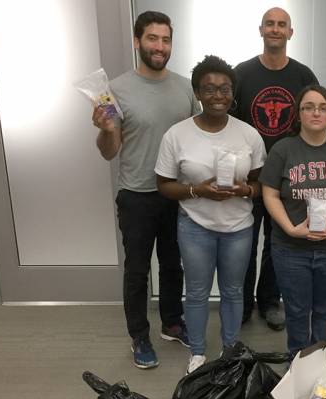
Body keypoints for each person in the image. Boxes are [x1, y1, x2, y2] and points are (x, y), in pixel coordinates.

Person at [92, 11, 199, 369]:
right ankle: (139, 336)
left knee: (173, 264)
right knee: (137, 271)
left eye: (166, 39)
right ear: (137, 42)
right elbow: (110, 150)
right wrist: (106, 129)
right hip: (136, 194)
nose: (160, 46)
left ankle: (172, 322)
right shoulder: (116, 90)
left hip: (177, 192)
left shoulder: (186, 87)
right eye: (152, 38)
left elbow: (196, 139)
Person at [155, 55, 266, 374]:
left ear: (233, 93)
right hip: (195, 226)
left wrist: (245, 190)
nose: (218, 95)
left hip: (239, 227)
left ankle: (230, 349)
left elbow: (261, 184)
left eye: (225, 89)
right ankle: (199, 353)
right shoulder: (177, 135)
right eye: (210, 89)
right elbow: (163, 185)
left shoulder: (248, 134)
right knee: (198, 292)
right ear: (197, 94)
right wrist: (197, 191)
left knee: (233, 291)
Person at [260, 85, 326, 357]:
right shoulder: (283, 150)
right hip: (290, 249)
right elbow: (270, 194)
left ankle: (320, 361)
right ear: (298, 113)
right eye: (308, 107)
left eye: (323, 107)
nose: (316, 112)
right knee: (296, 311)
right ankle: (297, 362)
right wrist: (289, 228)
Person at [232, 7, 318, 330]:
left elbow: (314, 121)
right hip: (249, 178)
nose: (276, 29)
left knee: (278, 243)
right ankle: (241, 303)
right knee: (245, 241)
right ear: (260, 29)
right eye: (270, 24)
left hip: (289, 178)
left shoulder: (304, 77)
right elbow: (228, 124)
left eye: (282, 25)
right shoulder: (241, 74)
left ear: (291, 33)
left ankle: (269, 300)